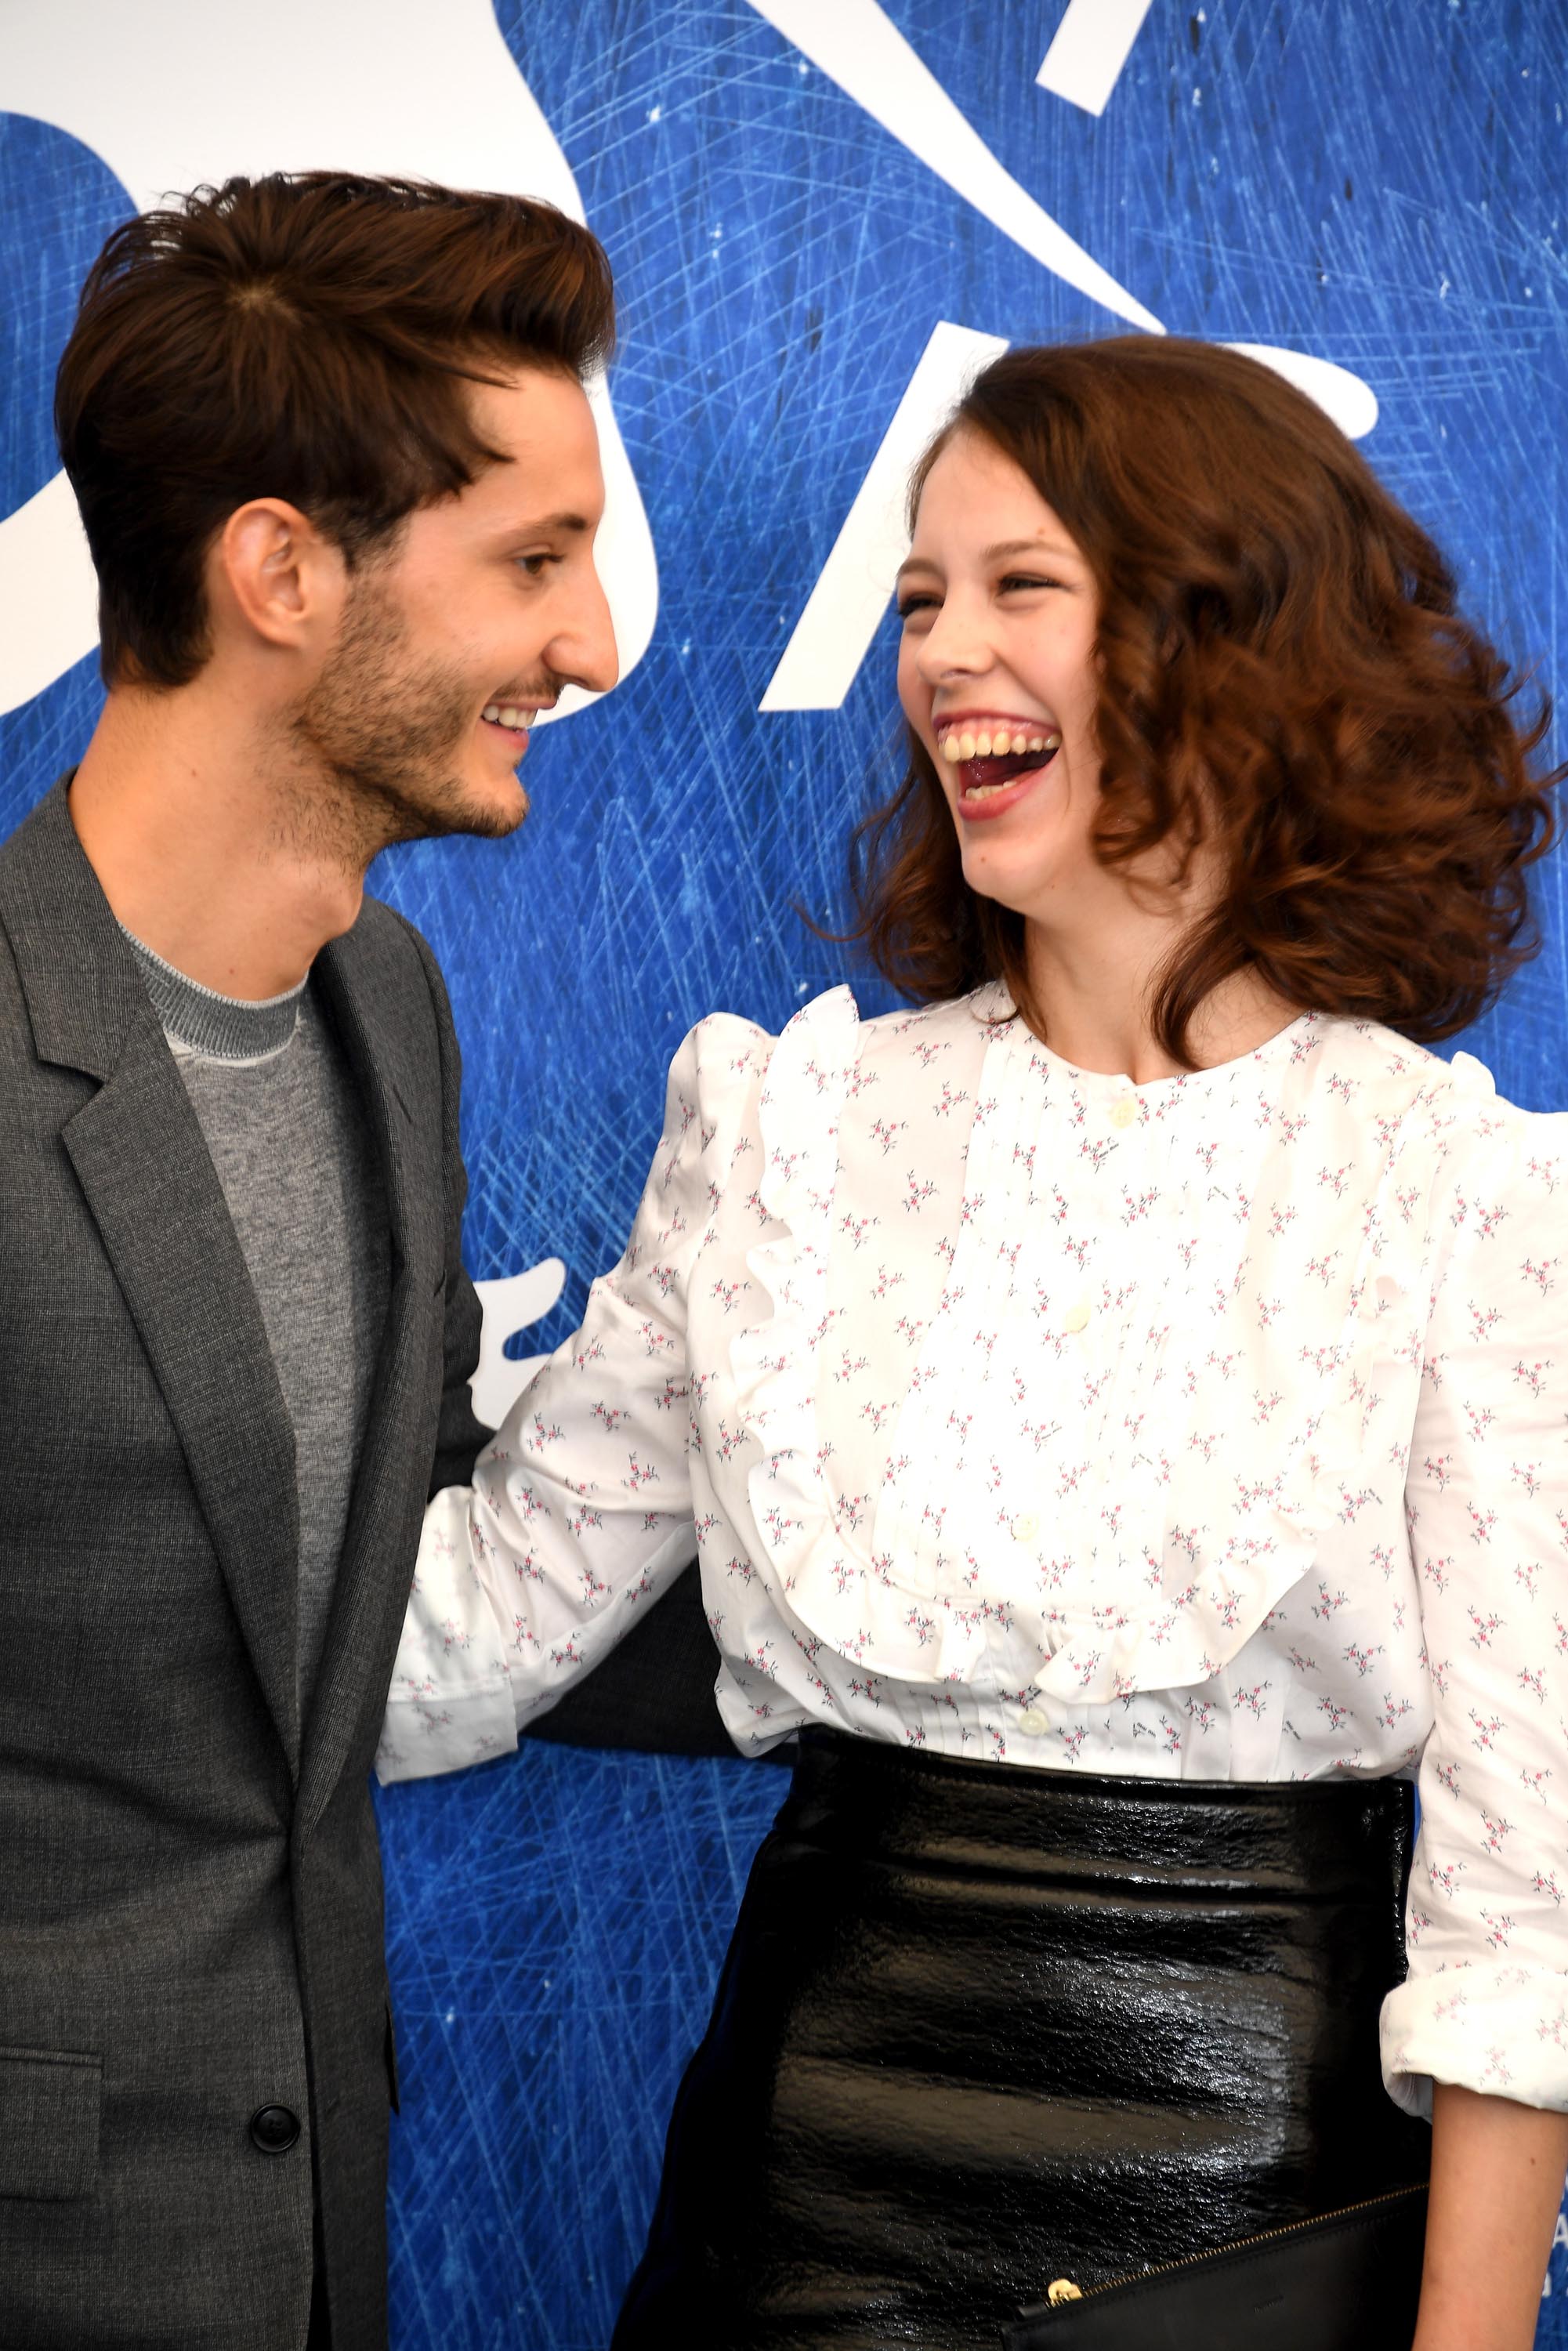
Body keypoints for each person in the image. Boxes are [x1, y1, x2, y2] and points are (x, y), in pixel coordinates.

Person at [380, 336, 1568, 2351]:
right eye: (919, 598)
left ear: (1225, 632)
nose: (938, 653)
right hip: (802, 2186)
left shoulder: (1467, 1195)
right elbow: (477, 1626)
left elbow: (1522, 1900)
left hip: (1251, 2194)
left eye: (1020, 586)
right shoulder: (783, 1130)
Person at [0, 168, 730, 2351]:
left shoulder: (383, 1005)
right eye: (533, 560)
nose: (594, 645)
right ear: (282, 571)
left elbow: (373, 1574)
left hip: (309, 2248)